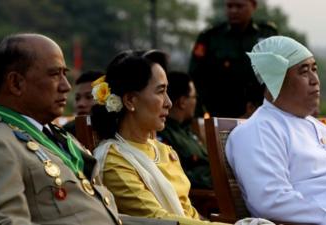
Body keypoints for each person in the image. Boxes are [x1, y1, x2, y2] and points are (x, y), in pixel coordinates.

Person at [0, 33, 178, 225]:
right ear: (16, 83)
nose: (66, 86)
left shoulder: (55, 136)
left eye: (64, 74)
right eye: (54, 75)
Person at [91, 50, 229, 225]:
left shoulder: (164, 150)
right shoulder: (114, 161)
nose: (169, 103)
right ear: (130, 101)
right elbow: (157, 220)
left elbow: (188, 213)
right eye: (160, 91)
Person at [226, 36, 326, 225]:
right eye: (304, 72)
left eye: (314, 69)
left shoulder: (317, 127)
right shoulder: (258, 130)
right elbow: (270, 200)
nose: (315, 80)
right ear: (277, 79)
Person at [189, 0, 277, 118]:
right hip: (220, 114)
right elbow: (195, 77)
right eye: (229, 6)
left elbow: (277, 75)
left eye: (239, 6)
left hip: (260, 113)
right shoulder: (210, 36)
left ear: (253, 6)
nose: (233, 10)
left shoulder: (267, 35)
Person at [157, 71, 212, 189]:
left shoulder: (187, 131)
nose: (196, 101)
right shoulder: (163, 134)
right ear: (182, 102)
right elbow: (179, 176)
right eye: (194, 97)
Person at [63, 70, 104, 135]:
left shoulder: (121, 132)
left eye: (89, 97)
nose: (80, 104)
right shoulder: (66, 134)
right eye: (77, 98)